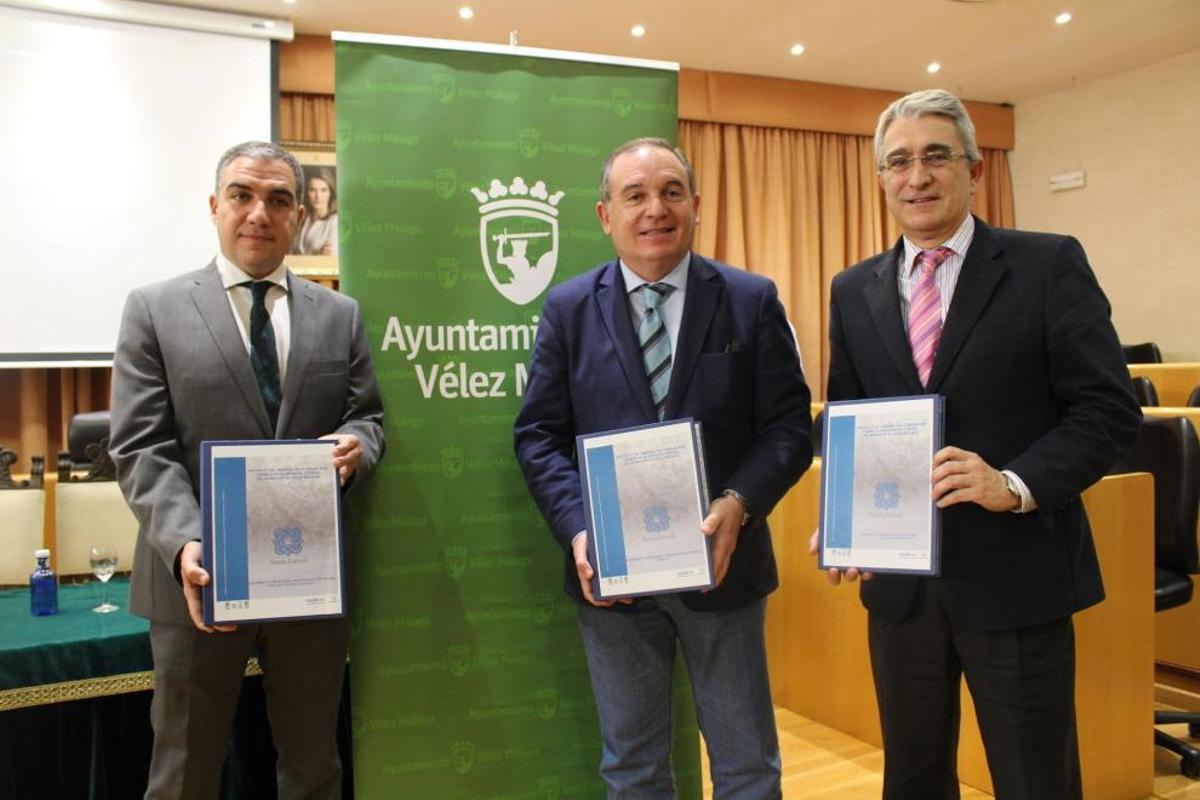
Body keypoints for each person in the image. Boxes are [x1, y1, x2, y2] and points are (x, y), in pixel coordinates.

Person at [815, 90, 1140, 798]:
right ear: (880, 179)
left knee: (1036, 782)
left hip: (1017, 578)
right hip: (902, 589)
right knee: (915, 779)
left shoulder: (1047, 266)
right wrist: (845, 520)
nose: (917, 176)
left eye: (937, 156)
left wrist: (1015, 484)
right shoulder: (852, 290)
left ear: (974, 170)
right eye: (898, 161)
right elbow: (852, 416)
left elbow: (1108, 410)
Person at [514, 137, 812, 798]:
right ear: (605, 215)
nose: (656, 208)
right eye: (636, 195)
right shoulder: (568, 309)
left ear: (696, 205)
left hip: (723, 571)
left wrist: (739, 501)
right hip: (613, 583)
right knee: (634, 766)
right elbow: (538, 434)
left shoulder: (750, 298)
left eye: (671, 191)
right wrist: (579, 529)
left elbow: (790, 427)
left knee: (747, 765)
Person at [110, 141, 384, 799]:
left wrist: (357, 445)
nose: (259, 212)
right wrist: (186, 545)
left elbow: (367, 417)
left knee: (314, 766)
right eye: (242, 194)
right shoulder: (153, 309)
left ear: (297, 218)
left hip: (309, 580)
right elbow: (140, 446)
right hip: (198, 586)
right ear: (215, 206)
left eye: (279, 199)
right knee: (184, 769)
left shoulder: (339, 314)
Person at [293, 166, 338, 256]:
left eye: (323, 190)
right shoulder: (303, 219)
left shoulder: (334, 222)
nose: (318, 196)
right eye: (313, 190)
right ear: (307, 193)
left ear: (330, 194)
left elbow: (331, 258)